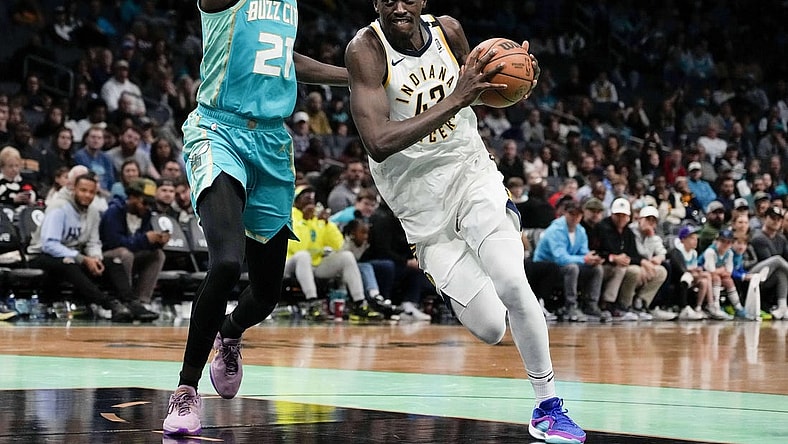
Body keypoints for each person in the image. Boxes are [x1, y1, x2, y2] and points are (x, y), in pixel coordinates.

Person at [345, 3, 584, 443]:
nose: (400, 7)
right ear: (375, 2)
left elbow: (483, 87)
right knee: (491, 328)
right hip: (422, 208)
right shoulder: (366, 50)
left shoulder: (448, 31)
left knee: (513, 282)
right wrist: (457, 97)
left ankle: (548, 408)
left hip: (471, 174)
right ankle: (471, 263)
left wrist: (516, 78)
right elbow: (377, 142)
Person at [162, 0, 348, 436]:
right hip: (218, 130)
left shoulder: (288, 5)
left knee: (266, 294)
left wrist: (354, 77)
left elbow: (284, 59)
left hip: (272, 143)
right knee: (227, 262)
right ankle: (186, 389)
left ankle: (229, 334)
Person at [26, 173, 141, 322]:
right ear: (74, 189)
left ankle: (131, 303)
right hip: (42, 255)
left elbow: (93, 242)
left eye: (91, 192)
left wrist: (95, 258)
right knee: (69, 263)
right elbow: (49, 244)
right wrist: (82, 258)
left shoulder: (93, 212)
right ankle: (109, 304)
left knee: (114, 262)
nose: (87, 195)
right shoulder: (58, 208)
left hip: (75, 255)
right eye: (83, 190)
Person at [98, 177, 167, 315]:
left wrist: (157, 242)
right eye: (144, 202)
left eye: (150, 203)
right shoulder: (115, 211)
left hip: (131, 255)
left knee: (158, 255)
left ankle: (142, 301)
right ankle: (127, 300)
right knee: (125, 253)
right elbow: (114, 242)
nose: (147, 207)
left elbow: (143, 243)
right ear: (132, 197)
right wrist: (145, 239)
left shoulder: (146, 214)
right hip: (106, 257)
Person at [532, 200, 604, 322]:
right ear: (565, 213)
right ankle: (570, 306)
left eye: (578, 214)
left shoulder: (580, 230)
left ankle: (591, 304)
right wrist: (584, 259)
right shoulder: (555, 230)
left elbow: (583, 252)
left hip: (565, 266)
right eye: (572, 214)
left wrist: (592, 258)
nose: (575, 217)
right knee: (572, 268)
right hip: (546, 269)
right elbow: (560, 258)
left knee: (596, 269)